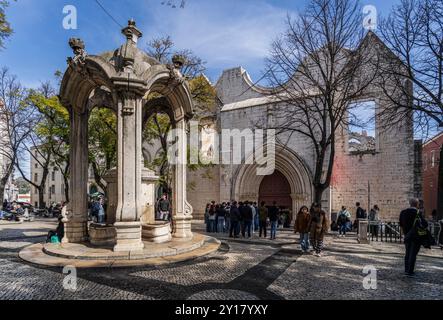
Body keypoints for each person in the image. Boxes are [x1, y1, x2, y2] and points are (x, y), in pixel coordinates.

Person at [400, 198, 428, 277]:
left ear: (410, 203)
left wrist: (404, 234)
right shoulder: (418, 213)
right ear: (417, 204)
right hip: (416, 237)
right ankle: (410, 271)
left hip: (407, 236)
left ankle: (406, 269)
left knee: (407, 253)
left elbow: (401, 225)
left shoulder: (403, 212)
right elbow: (425, 224)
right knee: (413, 254)